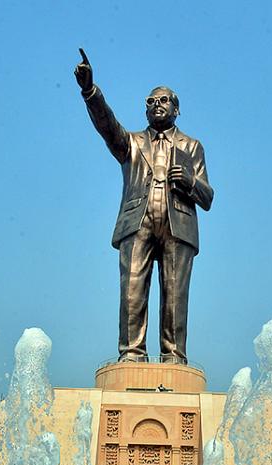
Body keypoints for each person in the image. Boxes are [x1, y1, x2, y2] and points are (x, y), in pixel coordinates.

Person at [74, 50, 214, 363]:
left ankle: (174, 355)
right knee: (132, 289)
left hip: (178, 224)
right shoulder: (133, 143)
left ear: (177, 109)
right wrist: (90, 92)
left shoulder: (192, 146)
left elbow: (208, 197)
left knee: (175, 294)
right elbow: (107, 126)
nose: (156, 105)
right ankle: (132, 353)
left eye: (163, 100)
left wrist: (191, 181)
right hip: (138, 222)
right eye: (150, 101)